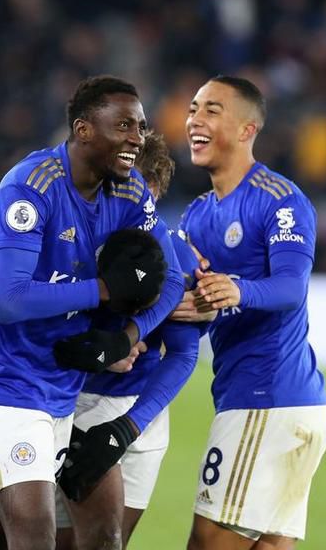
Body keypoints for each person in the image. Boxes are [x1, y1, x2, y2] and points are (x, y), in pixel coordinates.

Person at [0, 75, 186, 550]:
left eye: (141, 127)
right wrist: (102, 290)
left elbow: (173, 280)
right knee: (35, 536)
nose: (136, 139)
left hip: (68, 390)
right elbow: (9, 300)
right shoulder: (31, 188)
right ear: (83, 130)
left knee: (92, 534)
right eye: (124, 125)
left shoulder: (129, 194)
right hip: (8, 386)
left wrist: (128, 335)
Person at [178, 76, 326, 550]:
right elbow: (195, 305)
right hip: (277, 403)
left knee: (207, 542)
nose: (195, 120)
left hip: (267, 400)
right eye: (193, 108)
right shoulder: (196, 215)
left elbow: (290, 287)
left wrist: (235, 289)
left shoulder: (279, 199)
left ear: (248, 130)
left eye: (212, 110)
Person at [55, 132, 208, 550]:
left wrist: (129, 426)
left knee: (112, 541)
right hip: (75, 403)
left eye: (138, 190)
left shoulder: (174, 255)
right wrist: (100, 350)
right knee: (80, 541)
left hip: (143, 414)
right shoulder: (73, 239)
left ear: (153, 191)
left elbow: (183, 352)